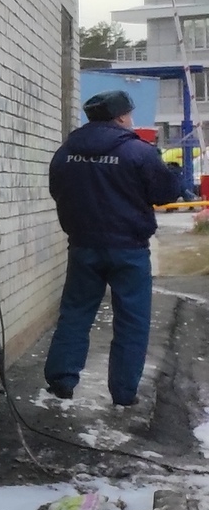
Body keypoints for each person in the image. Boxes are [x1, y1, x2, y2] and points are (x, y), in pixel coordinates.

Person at [42, 89, 185, 406]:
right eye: (130, 114)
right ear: (121, 116)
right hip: (129, 250)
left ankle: (61, 381)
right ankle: (123, 392)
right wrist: (173, 174)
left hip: (83, 247)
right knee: (132, 322)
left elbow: (57, 191)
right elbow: (165, 193)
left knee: (75, 314)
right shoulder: (138, 152)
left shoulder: (66, 152)